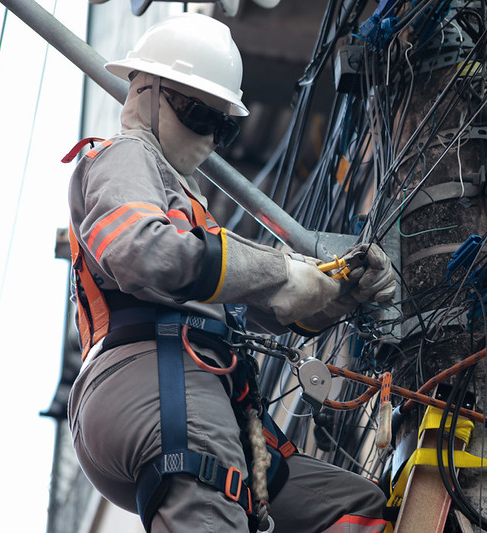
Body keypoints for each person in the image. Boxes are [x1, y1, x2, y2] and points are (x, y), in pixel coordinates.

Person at [65, 13, 395, 533]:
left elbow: (272, 311)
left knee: (357, 511)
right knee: (211, 513)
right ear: (145, 91)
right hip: (154, 376)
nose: (212, 139)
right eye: (199, 115)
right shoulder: (125, 155)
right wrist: (280, 271)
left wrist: (339, 293)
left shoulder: (185, 200)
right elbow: (139, 250)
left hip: (202, 385)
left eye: (225, 126)